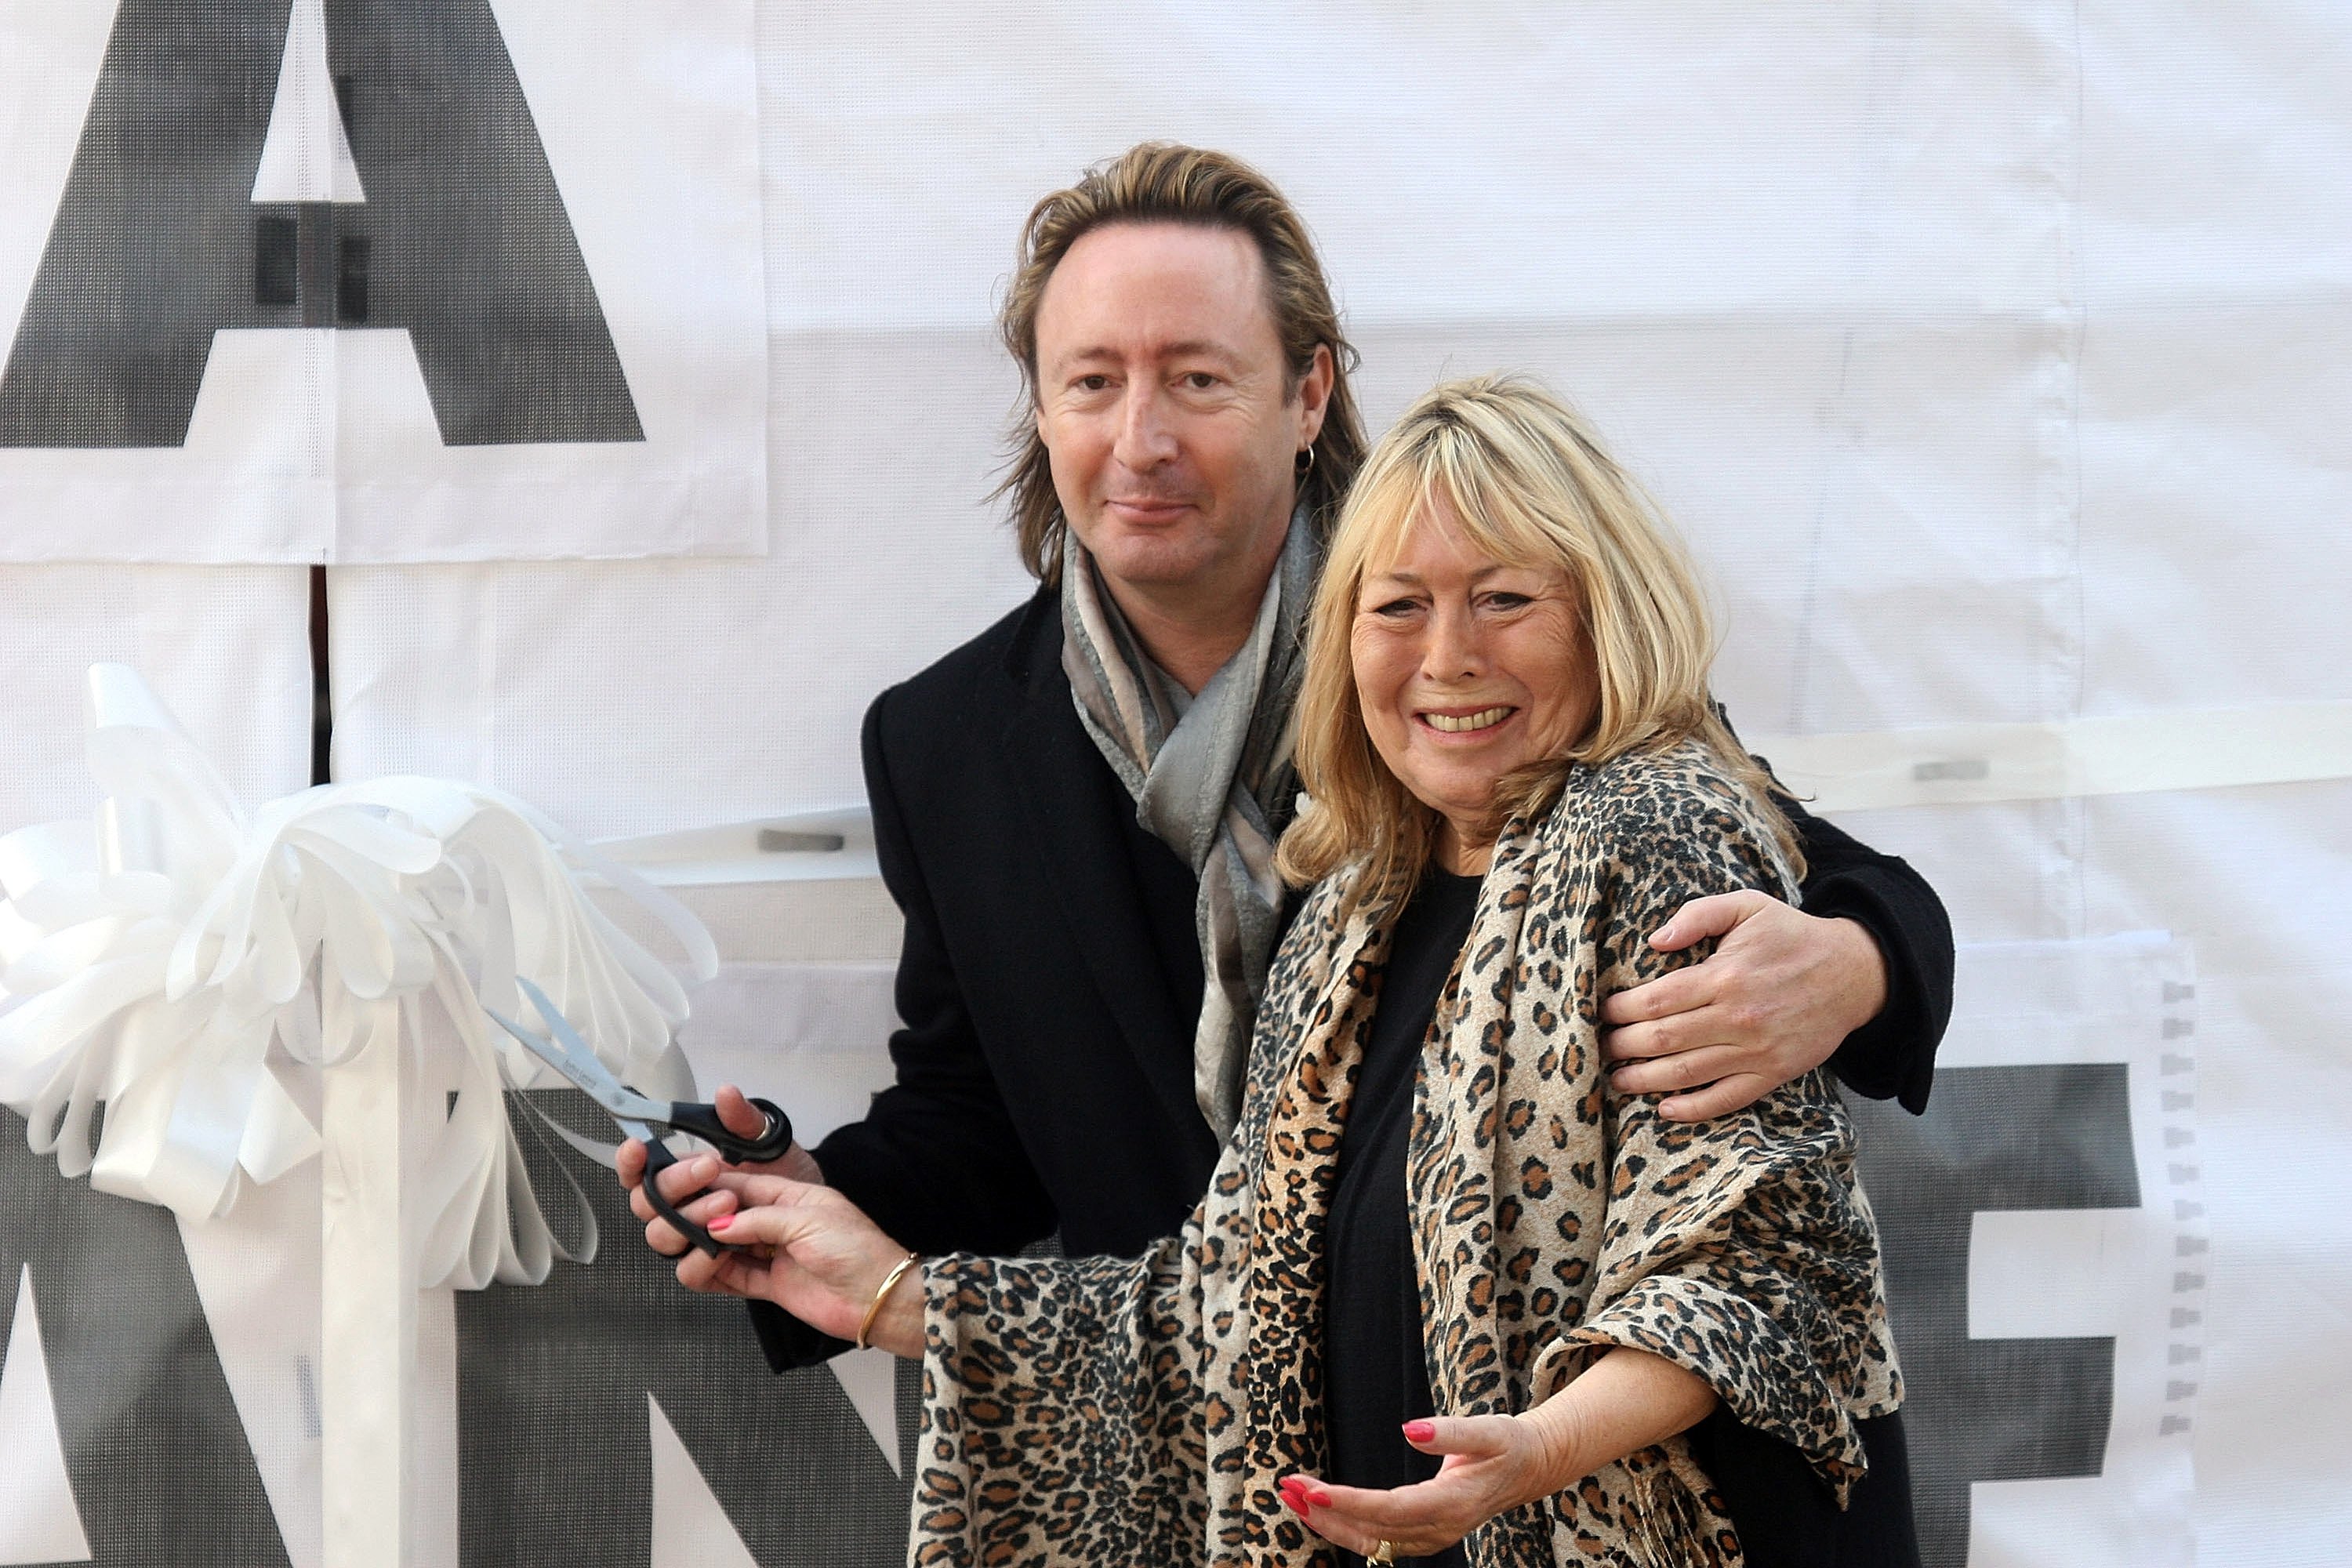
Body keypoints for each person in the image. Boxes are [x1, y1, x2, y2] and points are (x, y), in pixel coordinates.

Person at [620, 143, 1952, 1380]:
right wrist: (803, 1199)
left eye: (1197, 379)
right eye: (1093, 380)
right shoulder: (946, 743)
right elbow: (984, 1120)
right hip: (1198, 1447)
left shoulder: (1468, 655)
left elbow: (1813, 875)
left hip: (1552, 1428)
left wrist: (1851, 966)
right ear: (1040, 400)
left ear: (1309, 390)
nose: (1140, 440)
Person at [662, 374, 1918, 1566]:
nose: (1448, 657)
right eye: (1399, 608)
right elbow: (1221, 1296)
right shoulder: (1353, 899)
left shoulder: (1649, 829)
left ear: (1306, 393)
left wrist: (1531, 1450)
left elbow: (1749, 1267)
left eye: (1505, 600)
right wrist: (880, 1289)